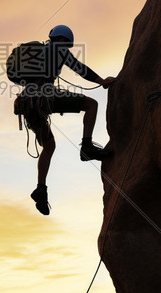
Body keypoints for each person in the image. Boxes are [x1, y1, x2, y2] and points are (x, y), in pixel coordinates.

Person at [16, 24, 115, 215]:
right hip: (44, 97)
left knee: (49, 145)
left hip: (27, 104)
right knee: (91, 105)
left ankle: (41, 189)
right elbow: (80, 68)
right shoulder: (56, 48)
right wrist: (102, 81)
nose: (66, 49)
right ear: (62, 40)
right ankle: (87, 147)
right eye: (67, 45)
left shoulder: (39, 53)